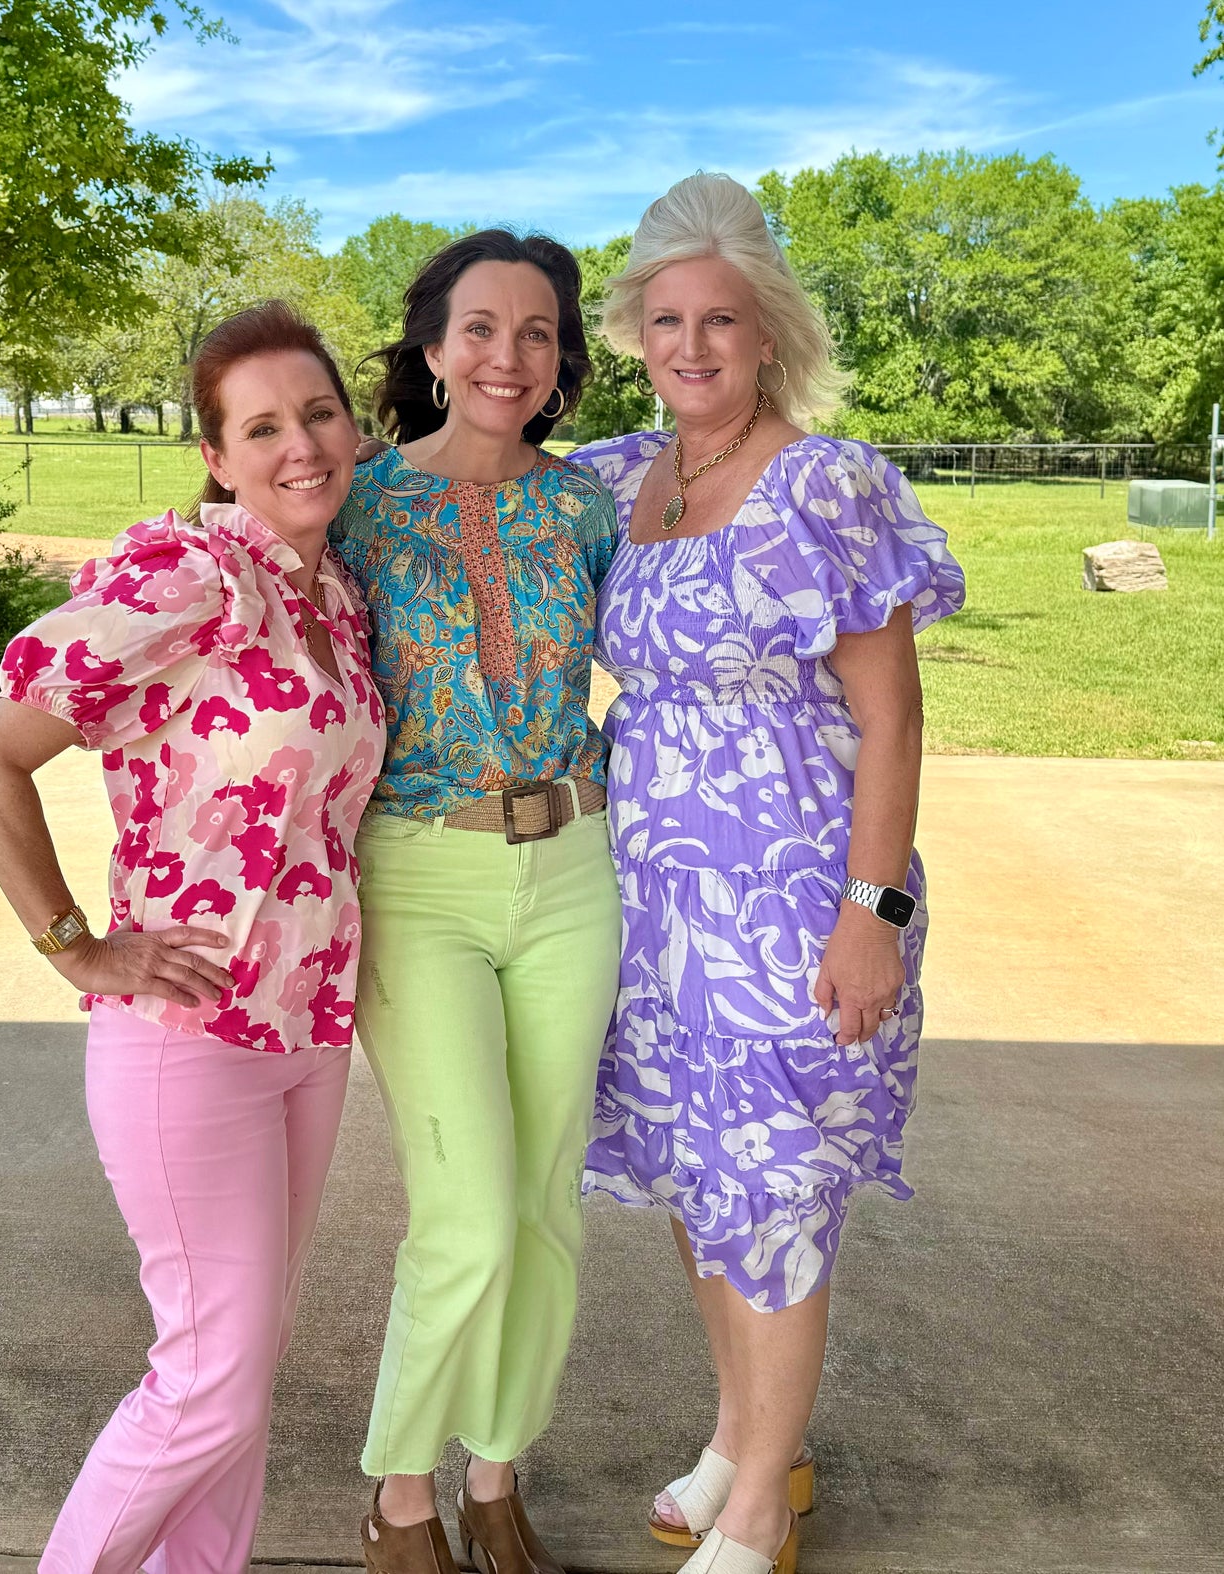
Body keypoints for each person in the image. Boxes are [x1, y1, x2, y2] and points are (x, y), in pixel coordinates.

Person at [0, 299, 385, 1574]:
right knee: (207, 1379)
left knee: (238, 1377)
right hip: (185, 1035)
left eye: (319, 412)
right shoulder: (186, 577)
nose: (300, 444)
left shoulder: (338, 598)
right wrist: (76, 943)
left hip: (307, 1031)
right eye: (263, 426)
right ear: (217, 454)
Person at [567, 174, 966, 1574]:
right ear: (636, 330)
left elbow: (894, 716)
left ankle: (754, 1518)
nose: (691, 343)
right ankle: (751, 1440)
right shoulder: (626, 478)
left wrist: (876, 914)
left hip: (793, 888)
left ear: (768, 332)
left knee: (778, 1178)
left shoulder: (825, 484)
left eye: (720, 318)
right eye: (666, 317)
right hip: (650, 892)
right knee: (700, 1168)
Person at [329, 230, 621, 1574]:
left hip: (574, 866)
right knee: (463, 1209)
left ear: (562, 360)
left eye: (540, 332)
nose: (511, 356)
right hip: (421, 868)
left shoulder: (590, 508)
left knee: (545, 1197)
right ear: (434, 348)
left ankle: (498, 1476)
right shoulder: (359, 502)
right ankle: (400, 1495)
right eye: (483, 329)